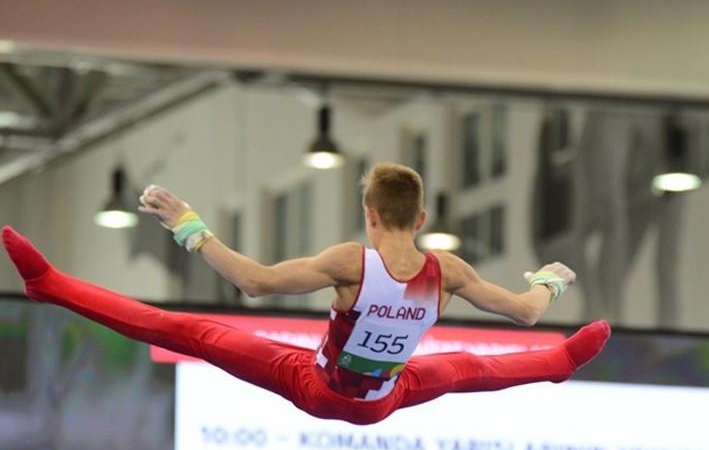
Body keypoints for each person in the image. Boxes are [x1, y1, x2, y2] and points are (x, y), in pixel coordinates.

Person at [1, 163, 610, 425]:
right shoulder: (446, 271)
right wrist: (549, 281)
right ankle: (560, 365)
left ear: (369, 214)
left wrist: (188, 224)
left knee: (189, 332)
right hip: (384, 400)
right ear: (420, 217)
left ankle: (51, 286)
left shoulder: (351, 262)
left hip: (317, 389)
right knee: (471, 366)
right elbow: (527, 313)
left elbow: (254, 283)